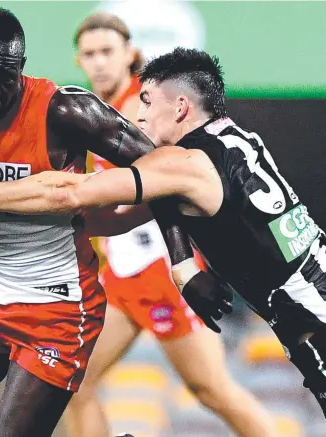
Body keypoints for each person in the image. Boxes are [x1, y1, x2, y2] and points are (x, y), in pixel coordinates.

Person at [0, 46, 326, 420]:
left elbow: (69, 192)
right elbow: (116, 216)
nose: (137, 116)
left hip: (314, 313)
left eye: (146, 102)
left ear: (180, 107)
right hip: (307, 303)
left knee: (211, 388)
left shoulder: (183, 164)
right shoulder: (236, 139)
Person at [0, 8, 225, 437]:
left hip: (57, 305)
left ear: (22, 71)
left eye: (6, 79)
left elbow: (164, 172)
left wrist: (183, 264)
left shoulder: (66, 112)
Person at [65, 12, 276, 437]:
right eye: (90, 54)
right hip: (121, 282)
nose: (100, 62)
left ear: (130, 55)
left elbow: (168, 193)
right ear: (79, 61)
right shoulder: (90, 112)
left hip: (164, 277)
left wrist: (186, 269)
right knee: (75, 383)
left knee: (211, 389)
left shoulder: (143, 113)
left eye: (108, 51)